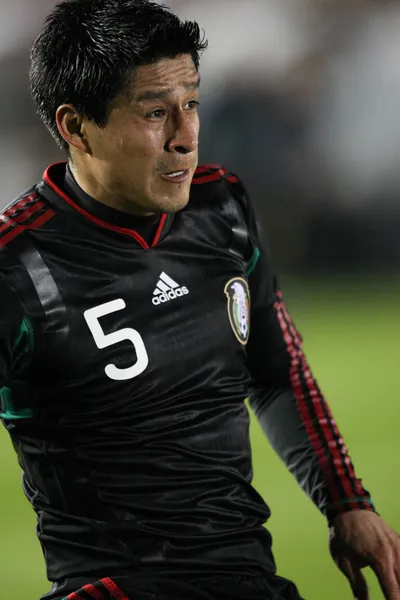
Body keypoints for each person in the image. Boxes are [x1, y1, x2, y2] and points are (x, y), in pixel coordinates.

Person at [1, 1, 399, 599]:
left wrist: (345, 501)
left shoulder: (222, 208)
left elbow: (276, 371)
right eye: (155, 112)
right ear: (75, 126)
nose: (185, 138)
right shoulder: (18, 267)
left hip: (249, 581)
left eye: (191, 104)